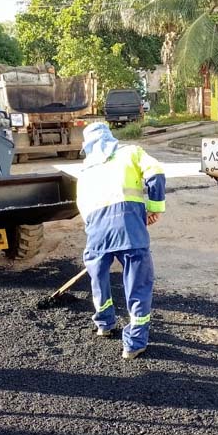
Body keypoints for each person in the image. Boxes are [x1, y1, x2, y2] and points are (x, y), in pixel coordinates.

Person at [76, 122, 166, 360]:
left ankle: (104, 324)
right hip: (129, 229)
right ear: (110, 138)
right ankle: (134, 343)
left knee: (99, 280)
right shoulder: (131, 152)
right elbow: (155, 173)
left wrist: (97, 233)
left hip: (96, 230)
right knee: (138, 285)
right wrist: (155, 207)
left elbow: (82, 208)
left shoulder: (85, 172)